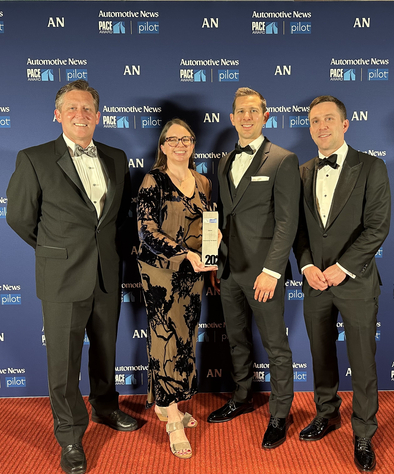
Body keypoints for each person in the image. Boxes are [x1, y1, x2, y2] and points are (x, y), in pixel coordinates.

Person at [6, 80, 136, 474]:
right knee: (62, 362)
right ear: (58, 114)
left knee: (106, 348)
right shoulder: (34, 158)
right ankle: (69, 434)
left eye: (88, 109)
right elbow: (20, 219)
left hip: (107, 273)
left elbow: (120, 217)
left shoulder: (116, 156)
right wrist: (56, 252)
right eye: (72, 108)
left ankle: (105, 407)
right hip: (61, 275)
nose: (81, 114)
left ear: (98, 116)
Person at [294, 95, 391, 472]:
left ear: (345, 124)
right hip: (314, 281)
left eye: (329, 119)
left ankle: (364, 431)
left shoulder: (371, 167)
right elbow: (296, 229)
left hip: (355, 282)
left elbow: (377, 227)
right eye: (315, 120)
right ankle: (326, 413)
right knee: (320, 354)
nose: (322, 126)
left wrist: (343, 268)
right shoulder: (301, 172)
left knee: (363, 361)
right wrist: (305, 266)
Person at [207, 87, 300, 449]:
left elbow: (287, 222)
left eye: (253, 111)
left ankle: (280, 413)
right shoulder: (224, 162)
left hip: (264, 274)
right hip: (229, 270)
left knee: (276, 345)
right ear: (231, 119)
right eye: (240, 112)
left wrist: (273, 270)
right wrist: (216, 262)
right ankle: (241, 396)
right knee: (237, 339)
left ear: (266, 116)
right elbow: (222, 218)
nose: (246, 117)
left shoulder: (283, 159)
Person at [137, 118, 217, 459]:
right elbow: (146, 231)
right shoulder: (152, 180)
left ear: (193, 143)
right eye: (173, 139)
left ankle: (166, 401)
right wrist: (184, 253)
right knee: (164, 338)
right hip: (159, 272)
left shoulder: (202, 181)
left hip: (194, 273)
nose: (180, 145)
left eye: (186, 139)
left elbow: (209, 221)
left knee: (184, 338)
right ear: (163, 145)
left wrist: (215, 242)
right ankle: (172, 418)